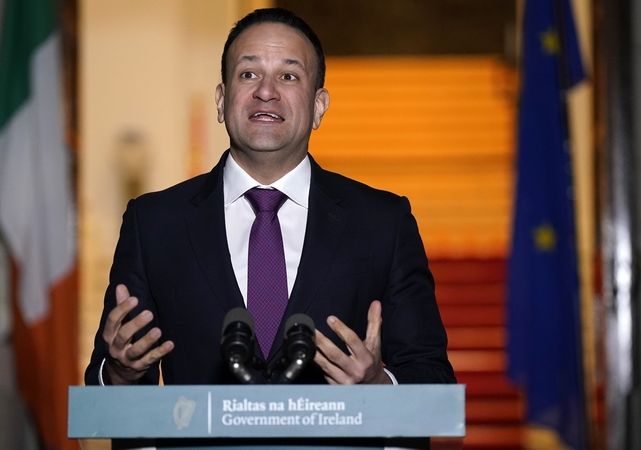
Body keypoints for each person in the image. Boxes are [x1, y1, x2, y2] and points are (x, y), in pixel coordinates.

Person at [84, 7, 455, 387]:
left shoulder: (383, 222)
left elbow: (432, 377)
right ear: (221, 100)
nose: (266, 91)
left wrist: (378, 385)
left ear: (318, 106)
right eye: (249, 73)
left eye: (289, 76)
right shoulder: (154, 224)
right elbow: (105, 382)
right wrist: (119, 372)